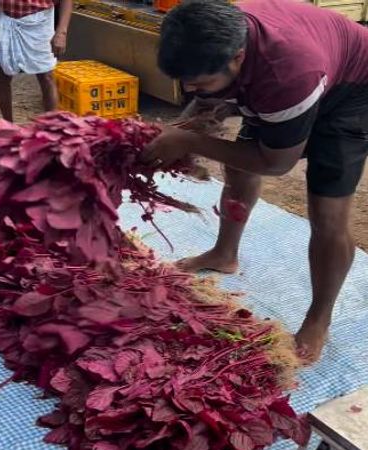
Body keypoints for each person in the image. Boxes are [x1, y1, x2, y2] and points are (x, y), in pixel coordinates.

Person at [143, 0, 368, 363]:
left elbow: (276, 163)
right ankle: (224, 254)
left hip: (352, 90)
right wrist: (184, 128)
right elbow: (206, 103)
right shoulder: (207, 35)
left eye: (200, 83)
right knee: (238, 167)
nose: (190, 89)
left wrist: (189, 141)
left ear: (238, 58)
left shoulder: (285, 75)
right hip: (296, 71)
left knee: (328, 212)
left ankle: (318, 318)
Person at [0, 0, 73, 122]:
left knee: (46, 76)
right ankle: (8, 127)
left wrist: (61, 32)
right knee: (0, 74)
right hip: (2, 15)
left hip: (39, 19)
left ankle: (51, 128)